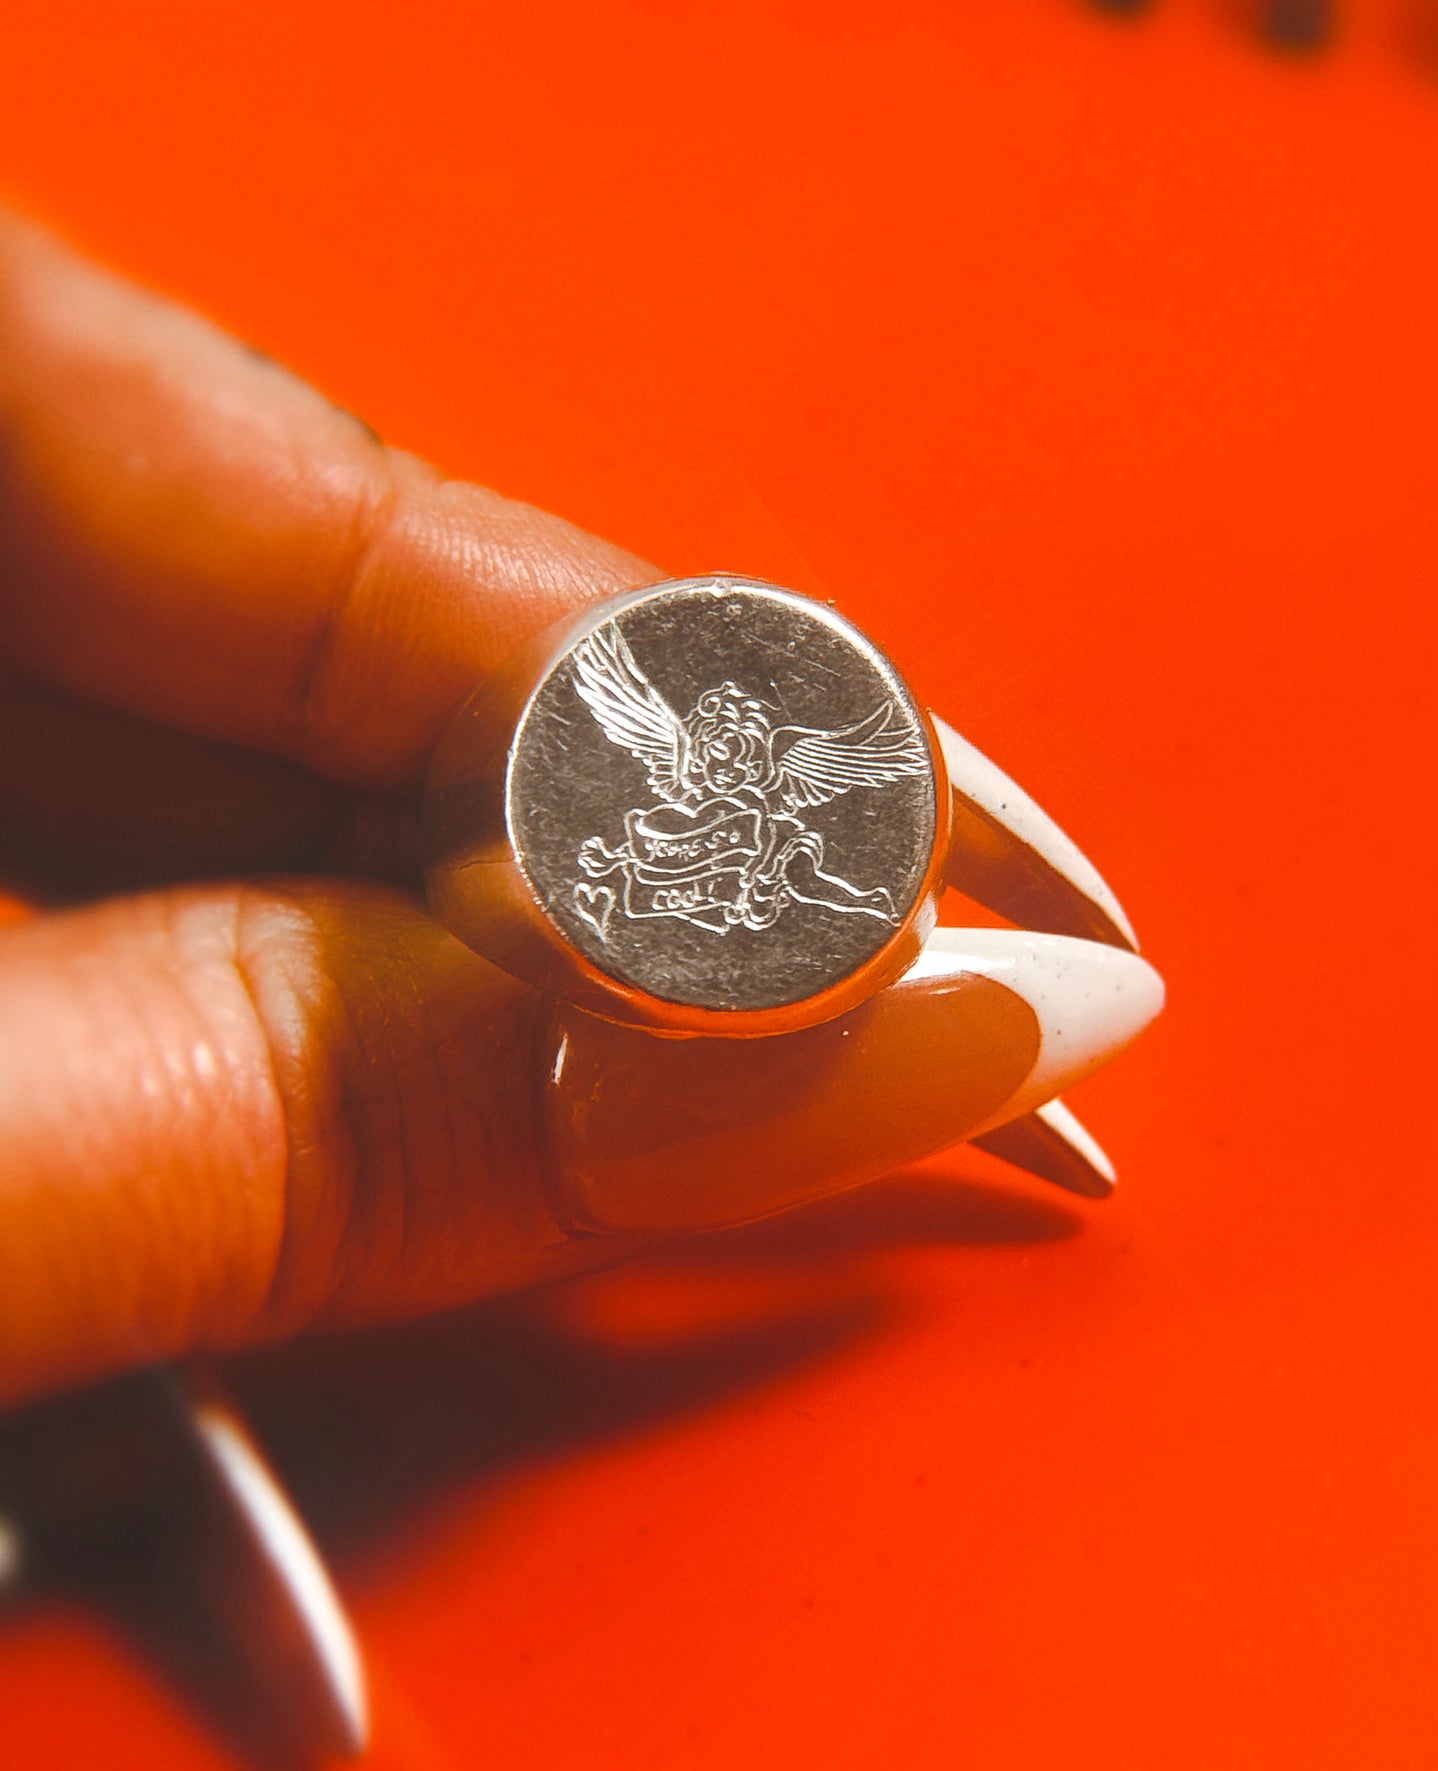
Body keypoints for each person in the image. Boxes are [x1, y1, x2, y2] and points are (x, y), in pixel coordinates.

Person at [0, 209, 1158, 1414]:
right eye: (711, 736)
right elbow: (641, 748)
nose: (723, 746)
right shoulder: (654, 777)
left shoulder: (768, 783)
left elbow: (833, 764)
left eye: (739, 740)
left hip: (727, 898)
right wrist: (338, 1129)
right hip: (639, 899)